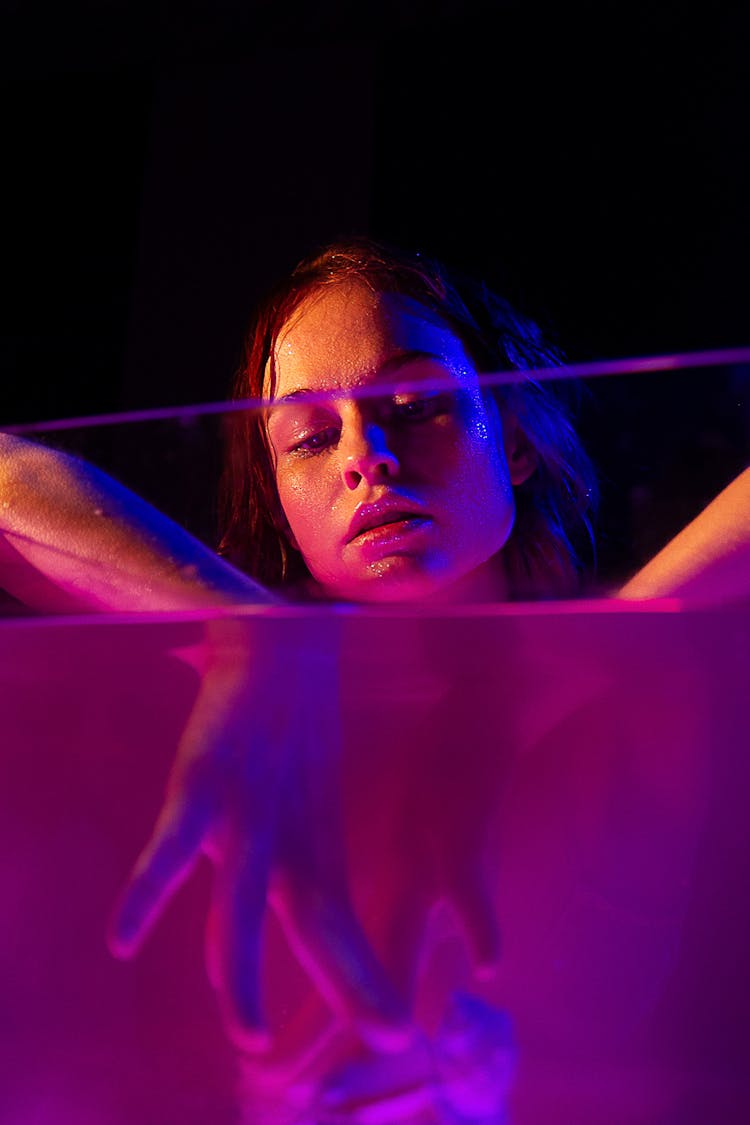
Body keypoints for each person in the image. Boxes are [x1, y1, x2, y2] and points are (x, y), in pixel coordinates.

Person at [1, 235, 748, 1120]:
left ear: (512, 441)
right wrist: (246, 628)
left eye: (417, 402)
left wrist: (559, 666)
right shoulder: (235, 714)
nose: (368, 455)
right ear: (281, 504)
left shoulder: (646, 693)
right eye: (311, 436)